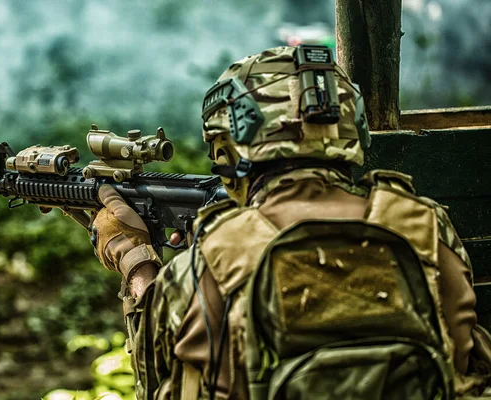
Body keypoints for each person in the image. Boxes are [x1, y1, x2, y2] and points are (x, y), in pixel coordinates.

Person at [91, 46, 491, 399]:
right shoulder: (425, 227)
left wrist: (133, 257)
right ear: (351, 127)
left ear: (226, 143)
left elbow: (154, 384)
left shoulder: (209, 264)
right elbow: (466, 363)